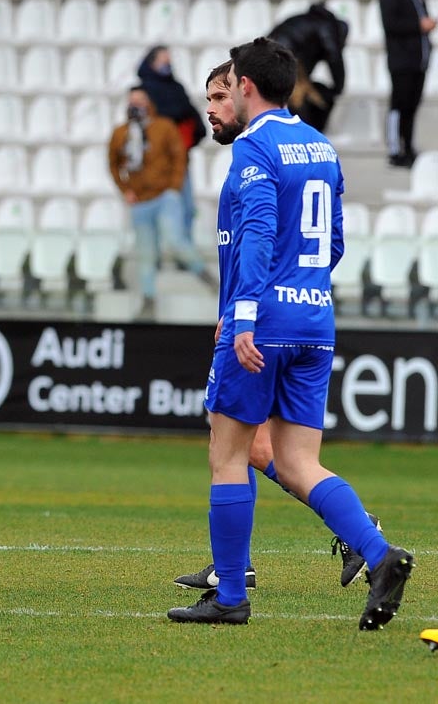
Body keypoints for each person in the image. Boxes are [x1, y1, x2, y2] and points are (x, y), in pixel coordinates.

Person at [167, 38, 413, 629]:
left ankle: (229, 595)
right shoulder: (321, 146)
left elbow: (256, 230)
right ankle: (379, 555)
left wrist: (247, 311)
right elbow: (333, 242)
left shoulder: (255, 146)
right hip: (314, 316)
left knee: (227, 455)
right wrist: (303, 289)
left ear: (246, 86)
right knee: (301, 462)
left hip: (264, 318)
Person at [107, 85, 215, 320]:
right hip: (140, 201)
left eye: (140, 101)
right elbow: (114, 163)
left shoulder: (164, 127)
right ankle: (148, 299)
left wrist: (174, 189)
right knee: (146, 253)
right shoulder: (121, 134)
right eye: (132, 101)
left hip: (164, 196)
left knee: (176, 241)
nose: (136, 106)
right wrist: (125, 189)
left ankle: (206, 276)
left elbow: (178, 158)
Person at [137, 45, 207, 242]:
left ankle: (185, 250)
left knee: (186, 206)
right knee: (154, 207)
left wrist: (190, 137)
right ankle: (155, 252)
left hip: (179, 157)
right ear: (152, 62)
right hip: (154, 160)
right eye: (163, 60)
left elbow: (192, 116)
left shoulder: (177, 87)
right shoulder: (143, 91)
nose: (167, 64)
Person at [380, 0, 436, 168]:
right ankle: (395, 149)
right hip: (401, 61)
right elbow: (391, 25)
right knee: (398, 105)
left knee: (412, 106)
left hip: (419, 62)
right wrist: (418, 26)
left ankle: (409, 146)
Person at [268, 2, 348, 132]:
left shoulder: (303, 21)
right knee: (305, 100)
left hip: (273, 60)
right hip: (284, 62)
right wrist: (339, 87)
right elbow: (334, 57)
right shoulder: (327, 26)